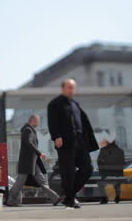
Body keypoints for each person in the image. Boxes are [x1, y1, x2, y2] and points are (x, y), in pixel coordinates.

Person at [47, 79, 99, 209]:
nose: (71, 90)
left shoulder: (75, 103)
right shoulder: (56, 103)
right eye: (69, 87)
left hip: (80, 140)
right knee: (68, 171)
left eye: (73, 88)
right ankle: (70, 199)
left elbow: (83, 122)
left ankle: (68, 195)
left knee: (87, 168)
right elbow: (52, 121)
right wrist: (56, 136)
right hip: (65, 141)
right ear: (63, 88)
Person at [7, 114, 61, 207]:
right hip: (27, 162)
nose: (39, 122)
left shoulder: (29, 130)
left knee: (42, 181)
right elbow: (29, 143)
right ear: (33, 120)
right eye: (38, 120)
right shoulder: (27, 130)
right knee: (19, 183)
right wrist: (40, 153)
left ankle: (55, 198)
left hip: (32, 162)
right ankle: (11, 200)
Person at [97, 139, 125, 204]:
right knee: (117, 184)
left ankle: (104, 198)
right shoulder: (120, 151)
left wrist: (102, 170)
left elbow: (99, 161)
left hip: (106, 174)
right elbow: (122, 163)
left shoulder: (103, 150)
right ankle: (117, 196)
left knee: (100, 184)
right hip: (117, 174)